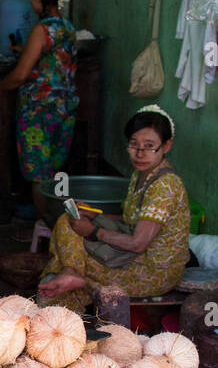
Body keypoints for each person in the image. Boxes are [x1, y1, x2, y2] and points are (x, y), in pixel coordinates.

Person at [38, 105, 190, 313]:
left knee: (75, 262)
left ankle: (70, 279)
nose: (140, 153)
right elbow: (133, 219)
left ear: (166, 146)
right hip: (130, 256)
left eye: (149, 146)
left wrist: (93, 232)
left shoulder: (165, 185)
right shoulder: (142, 174)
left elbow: (138, 243)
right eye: (134, 144)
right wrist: (95, 215)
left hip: (153, 272)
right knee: (67, 222)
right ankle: (70, 274)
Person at [0, 0, 78, 181]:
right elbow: (54, 59)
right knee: (54, 172)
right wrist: (25, 50)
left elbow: (20, 75)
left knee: (39, 175)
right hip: (65, 109)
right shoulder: (68, 27)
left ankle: (43, 215)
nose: (30, 0)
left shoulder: (42, 29)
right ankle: (55, 214)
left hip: (40, 111)